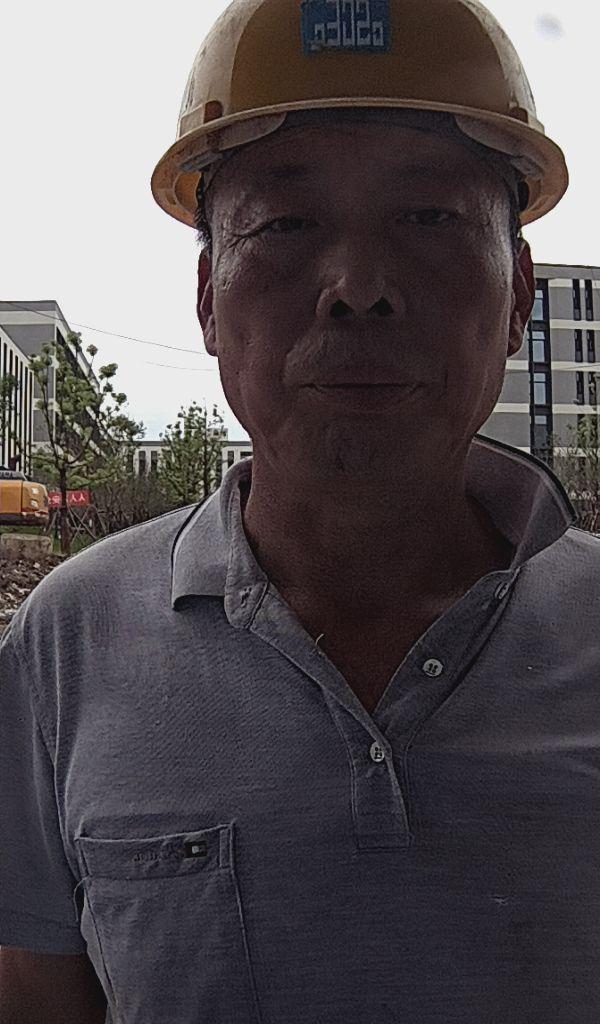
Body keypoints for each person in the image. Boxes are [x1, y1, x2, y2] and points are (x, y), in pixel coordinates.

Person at [1, 1, 599, 1021]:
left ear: (519, 297)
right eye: (286, 224)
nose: (358, 287)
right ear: (207, 297)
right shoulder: (68, 643)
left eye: (428, 218)